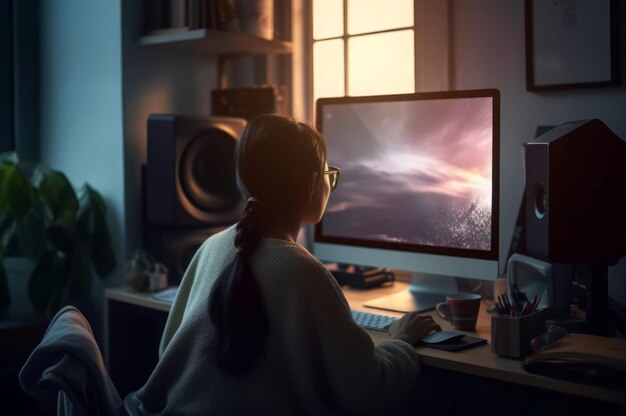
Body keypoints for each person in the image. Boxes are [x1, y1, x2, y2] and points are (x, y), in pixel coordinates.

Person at [124, 114, 441, 415]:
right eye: (329, 175)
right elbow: (368, 389)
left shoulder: (210, 248)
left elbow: (168, 352)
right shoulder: (303, 272)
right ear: (312, 184)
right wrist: (400, 340)